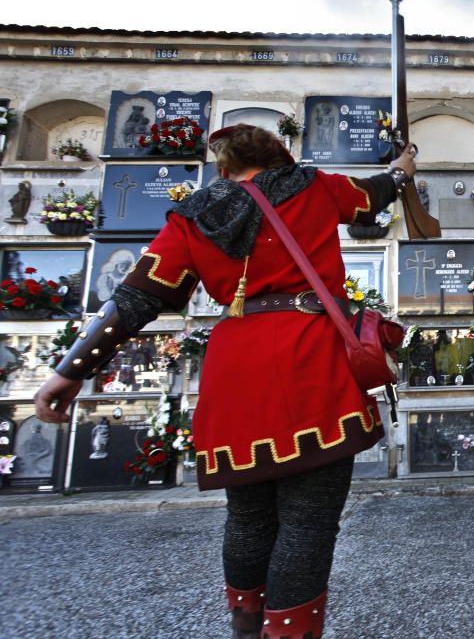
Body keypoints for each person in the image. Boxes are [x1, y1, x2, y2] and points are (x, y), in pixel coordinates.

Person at [34, 124, 418, 638]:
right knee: (307, 521)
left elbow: (135, 297)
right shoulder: (313, 185)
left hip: (236, 365)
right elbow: (370, 198)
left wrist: (68, 372)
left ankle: (246, 630)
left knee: (248, 518)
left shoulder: (193, 213)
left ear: (223, 169)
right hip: (310, 357)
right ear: (280, 157)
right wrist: (400, 171)